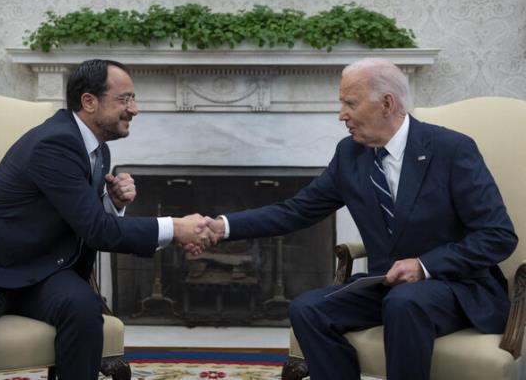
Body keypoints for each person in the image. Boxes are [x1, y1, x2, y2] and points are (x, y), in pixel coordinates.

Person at [204, 58, 517, 379]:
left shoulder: (451, 149)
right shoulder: (350, 156)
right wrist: (222, 226)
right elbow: (294, 211)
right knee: (307, 308)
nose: (341, 114)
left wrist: (423, 265)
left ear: (386, 103)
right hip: (388, 286)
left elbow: (497, 236)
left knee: (405, 302)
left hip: (457, 288)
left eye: (350, 103)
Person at [0, 59, 214, 380]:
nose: (135, 110)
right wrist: (176, 228)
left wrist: (112, 203)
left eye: (133, 99)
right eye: (124, 99)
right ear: (89, 101)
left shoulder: (97, 148)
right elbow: (97, 231)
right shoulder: (55, 143)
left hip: (44, 271)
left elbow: (82, 217)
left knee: (83, 309)